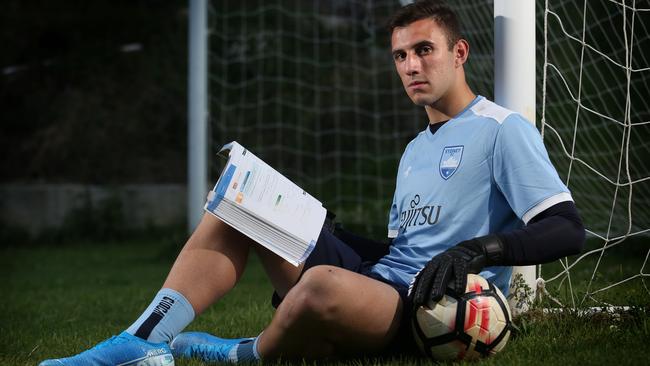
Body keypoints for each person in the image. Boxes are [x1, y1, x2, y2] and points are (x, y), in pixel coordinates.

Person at [39, 1, 585, 365]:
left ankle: (244, 353)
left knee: (320, 283)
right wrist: (330, 231)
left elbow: (566, 228)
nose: (412, 66)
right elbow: (402, 249)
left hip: (423, 309)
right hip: (375, 279)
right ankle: (142, 342)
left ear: (458, 53)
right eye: (400, 55)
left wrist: (480, 249)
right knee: (240, 203)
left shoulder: (501, 129)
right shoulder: (417, 149)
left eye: (425, 50)